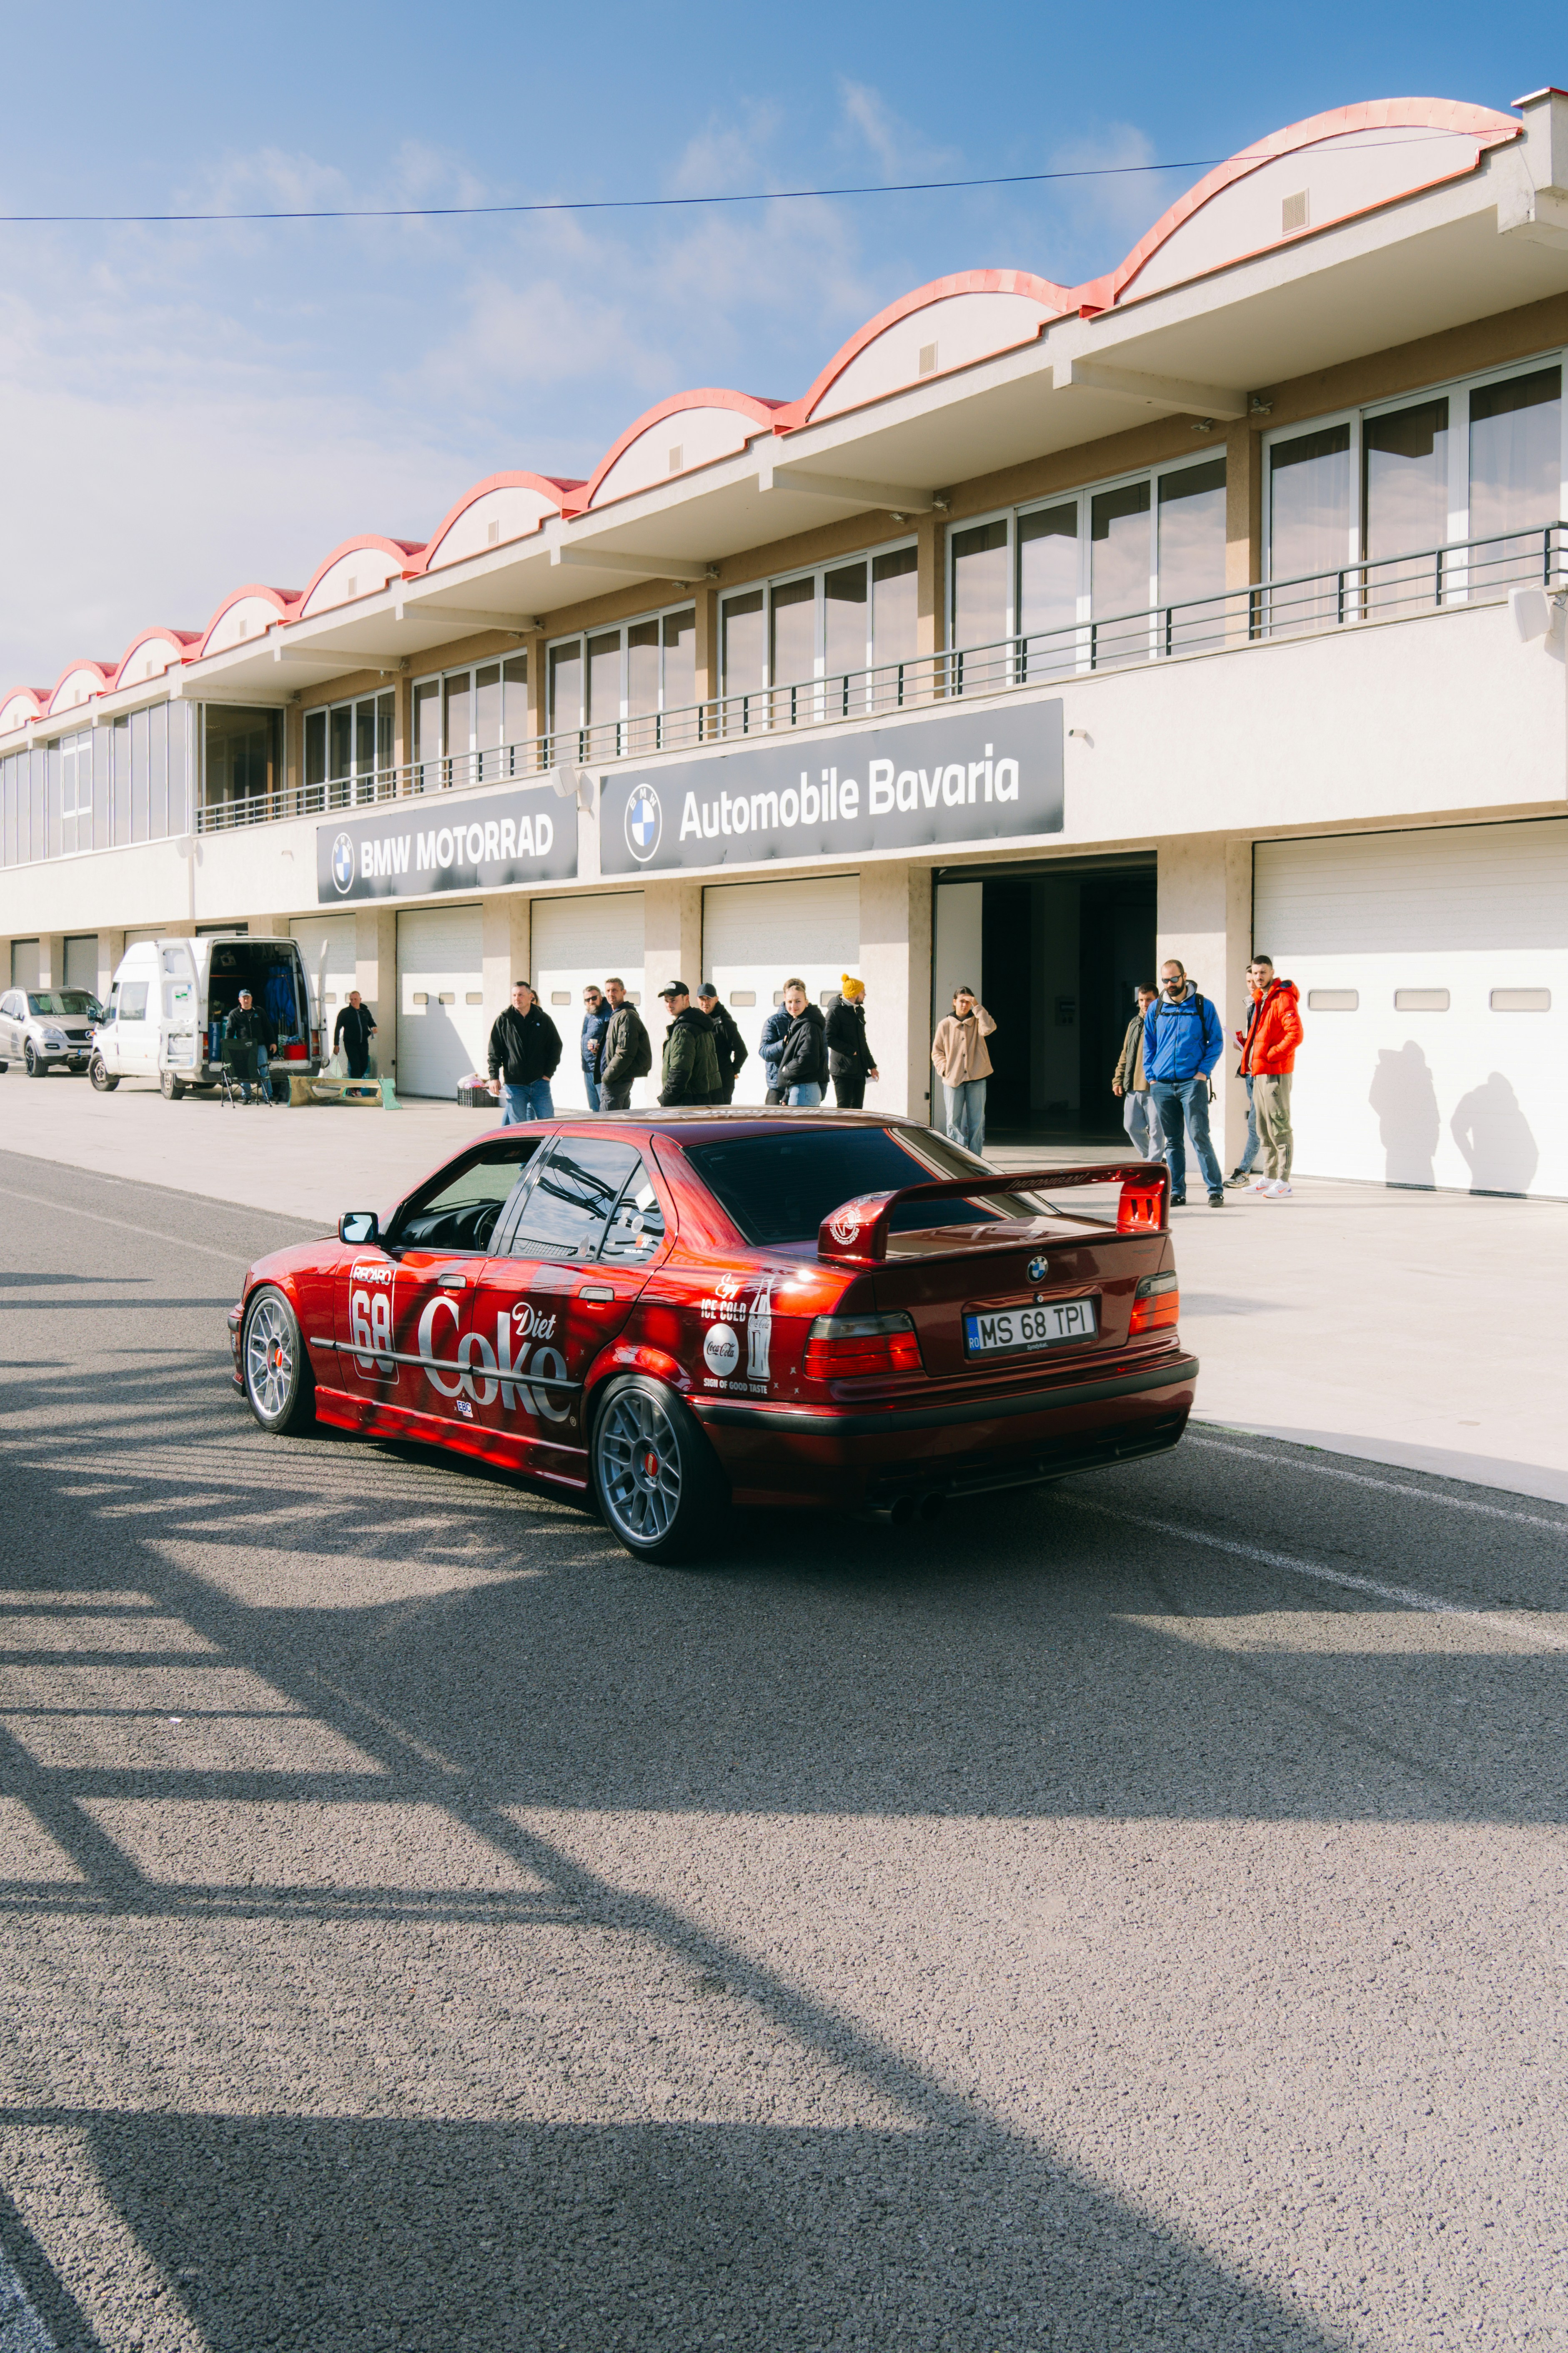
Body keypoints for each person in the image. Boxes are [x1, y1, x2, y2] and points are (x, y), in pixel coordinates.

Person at [1143, 958, 1227, 1207]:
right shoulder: (1156, 1008)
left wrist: (1203, 1072)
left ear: (1184, 976)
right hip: (1163, 1085)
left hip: (1193, 1083)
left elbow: (1217, 1042)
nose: (1170, 984)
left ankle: (1215, 1190)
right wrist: (1152, 1076)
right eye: (1165, 980)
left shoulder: (1203, 1005)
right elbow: (1149, 1045)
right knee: (1173, 1141)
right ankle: (1178, 1191)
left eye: (1174, 979)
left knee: (1200, 1135)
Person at [1238, 952, 1304, 1198]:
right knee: (1263, 1127)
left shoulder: (1283, 998)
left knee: (1279, 1125)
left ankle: (1284, 1182)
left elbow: (1295, 1034)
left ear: (1272, 972)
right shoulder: (1260, 999)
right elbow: (1263, 1036)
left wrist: (1270, 1055)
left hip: (1275, 1073)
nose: (1259, 977)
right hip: (1259, 1073)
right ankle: (1268, 1176)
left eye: (1263, 972)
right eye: (1255, 973)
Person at [931, 986, 995, 1153]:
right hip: (954, 1081)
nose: (965, 1005)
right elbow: (937, 1052)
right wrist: (945, 1070)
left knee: (977, 1122)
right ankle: (957, 1159)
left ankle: (976, 1160)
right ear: (954, 1002)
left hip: (977, 1080)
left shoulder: (977, 1022)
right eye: (962, 1001)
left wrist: (977, 1006)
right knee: (953, 1122)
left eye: (968, 1002)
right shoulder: (945, 1025)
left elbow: (989, 1028)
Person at [486, 981, 561, 1124]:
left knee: (549, 1123)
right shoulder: (504, 1020)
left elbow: (556, 1046)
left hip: (540, 1083)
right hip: (515, 1085)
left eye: (521, 995)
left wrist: (548, 1073)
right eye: (514, 995)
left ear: (531, 997)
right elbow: (494, 1051)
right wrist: (493, 1076)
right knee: (518, 1127)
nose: (517, 998)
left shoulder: (543, 1019)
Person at [1224, 960, 1266, 1188]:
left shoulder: (1265, 1005)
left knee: (1256, 1124)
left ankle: (1245, 1171)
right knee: (1258, 1124)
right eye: (1248, 981)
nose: (1252, 984)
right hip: (1250, 1072)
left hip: (1262, 1074)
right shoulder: (1251, 1005)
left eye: (1255, 979)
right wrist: (1242, 1044)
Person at [1112, 984, 1162, 1161]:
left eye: (1149, 999)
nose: (1144, 1004)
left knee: (1157, 1130)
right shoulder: (1134, 1023)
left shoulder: (1163, 1020)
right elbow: (1126, 1053)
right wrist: (1118, 1079)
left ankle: (1153, 1165)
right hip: (1134, 1084)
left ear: (1157, 999)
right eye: (1141, 1000)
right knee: (1131, 1125)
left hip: (1156, 1085)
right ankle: (1153, 1160)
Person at [656, 981, 721, 1106]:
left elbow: (680, 1071)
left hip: (688, 1103)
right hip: (704, 1100)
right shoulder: (698, 1023)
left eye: (674, 1000)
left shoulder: (684, 1030)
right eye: (666, 1001)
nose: (669, 1005)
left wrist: (666, 1100)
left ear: (686, 999)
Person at [824, 975, 879, 1110]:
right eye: (863, 991)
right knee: (844, 1110)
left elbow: (863, 1042)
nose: (865, 994)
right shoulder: (835, 1011)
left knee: (857, 1110)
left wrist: (872, 1066)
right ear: (855, 993)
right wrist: (850, 1051)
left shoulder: (858, 1012)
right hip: (843, 1071)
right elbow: (828, 1038)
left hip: (859, 1069)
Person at [772, 979, 829, 1107]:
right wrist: (787, 1094)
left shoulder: (809, 1026)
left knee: (798, 1127)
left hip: (805, 1089)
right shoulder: (798, 1023)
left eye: (798, 1001)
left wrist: (785, 1070)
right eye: (790, 1002)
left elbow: (808, 1060)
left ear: (806, 1002)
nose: (794, 1006)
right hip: (800, 1088)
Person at [598, 976, 651, 1111]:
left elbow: (625, 1052)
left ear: (624, 992)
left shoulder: (627, 1016)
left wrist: (607, 1077)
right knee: (618, 1123)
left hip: (617, 1081)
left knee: (608, 1125)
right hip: (616, 1079)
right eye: (608, 991)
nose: (611, 994)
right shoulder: (617, 1014)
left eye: (615, 990)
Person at [696, 983, 749, 1104]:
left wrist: (733, 1071)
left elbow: (742, 1051)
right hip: (705, 1083)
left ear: (716, 999)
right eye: (702, 999)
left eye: (709, 999)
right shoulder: (699, 1020)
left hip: (722, 1083)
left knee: (720, 1120)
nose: (705, 1003)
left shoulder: (724, 1023)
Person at [225, 989, 275, 1104]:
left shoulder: (260, 1012)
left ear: (252, 999)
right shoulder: (234, 1014)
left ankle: (269, 1096)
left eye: (248, 998)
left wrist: (272, 1042)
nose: (246, 1000)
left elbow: (268, 1028)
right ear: (240, 1000)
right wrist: (228, 1047)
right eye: (244, 998)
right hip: (243, 1047)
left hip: (260, 1046)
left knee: (264, 1070)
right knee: (244, 1071)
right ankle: (246, 1097)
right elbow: (230, 1031)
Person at [332, 989, 376, 1080]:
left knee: (364, 1065)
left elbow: (371, 1023)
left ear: (360, 999)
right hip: (350, 1043)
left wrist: (374, 1028)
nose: (353, 1002)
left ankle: (354, 1086)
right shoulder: (345, 1013)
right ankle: (356, 1089)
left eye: (355, 999)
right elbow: (338, 1028)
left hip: (363, 1043)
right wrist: (336, 1044)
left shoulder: (365, 1012)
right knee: (355, 1065)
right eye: (351, 1000)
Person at [579, 984, 610, 1112]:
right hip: (588, 1068)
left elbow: (612, 1041)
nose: (591, 1001)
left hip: (601, 1068)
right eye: (588, 1000)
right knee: (594, 1107)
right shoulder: (589, 1015)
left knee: (605, 1108)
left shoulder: (608, 1013)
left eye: (594, 998)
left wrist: (600, 1049)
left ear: (601, 997)